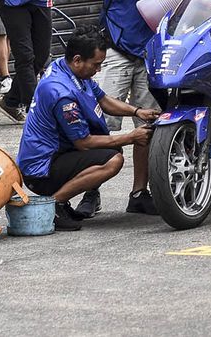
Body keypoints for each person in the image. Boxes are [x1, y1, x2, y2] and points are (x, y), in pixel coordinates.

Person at [91, 0, 205, 215]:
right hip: (116, 48)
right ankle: (90, 191)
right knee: (100, 122)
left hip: (155, 54)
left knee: (148, 124)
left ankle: (139, 194)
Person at [17, 25, 159, 230]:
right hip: (41, 171)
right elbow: (83, 143)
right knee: (113, 160)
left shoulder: (66, 69)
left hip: (54, 156)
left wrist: (137, 112)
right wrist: (131, 137)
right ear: (77, 60)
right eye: (96, 64)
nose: (98, 70)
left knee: (110, 149)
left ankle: (61, 204)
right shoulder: (62, 94)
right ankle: (52, 205)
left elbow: (103, 100)